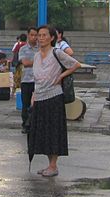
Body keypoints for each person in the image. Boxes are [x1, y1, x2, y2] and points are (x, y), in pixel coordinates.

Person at [28, 24, 80, 177]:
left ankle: (53, 165)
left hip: (54, 97)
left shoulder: (57, 52)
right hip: (40, 97)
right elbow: (36, 78)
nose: (41, 38)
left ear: (52, 38)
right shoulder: (37, 56)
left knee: (54, 132)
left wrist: (61, 76)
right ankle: (48, 165)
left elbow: (75, 64)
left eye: (44, 35)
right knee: (43, 132)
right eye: (39, 35)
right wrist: (33, 95)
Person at [18, 27, 38, 134]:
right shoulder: (23, 49)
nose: (34, 37)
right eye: (32, 35)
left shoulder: (41, 48)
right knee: (25, 104)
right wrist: (38, 61)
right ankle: (25, 124)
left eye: (36, 35)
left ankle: (35, 124)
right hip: (26, 80)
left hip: (38, 80)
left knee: (36, 104)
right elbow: (25, 63)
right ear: (28, 35)